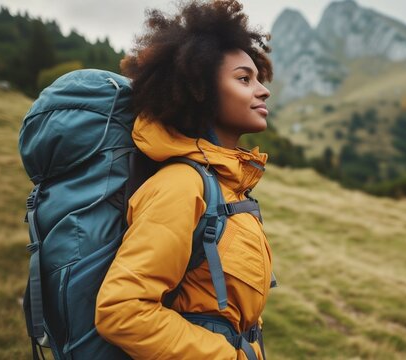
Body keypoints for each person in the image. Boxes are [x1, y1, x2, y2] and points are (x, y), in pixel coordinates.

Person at [94, 1, 274, 358]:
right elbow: (122, 310)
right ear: (201, 91)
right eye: (244, 79)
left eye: (257, 78)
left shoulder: (225, 185)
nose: (263, 90)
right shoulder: (181, 185)